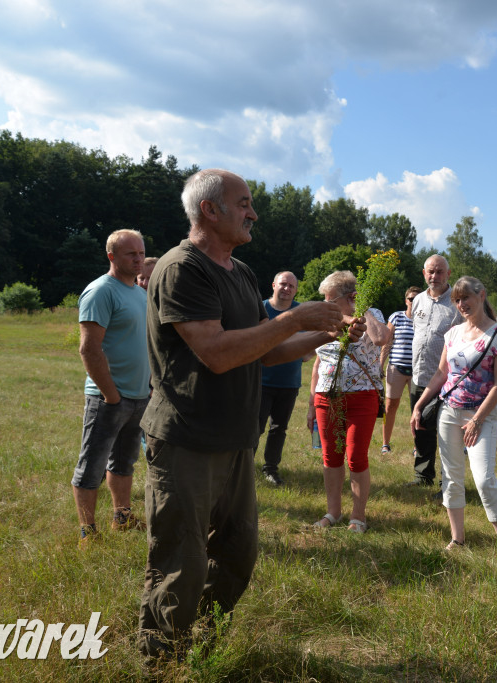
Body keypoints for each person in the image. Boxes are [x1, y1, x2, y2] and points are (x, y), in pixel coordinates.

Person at [137, 169, 359, 658]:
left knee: (237, 553)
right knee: (182, 560)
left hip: (235, 439)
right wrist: (293, 318)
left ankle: (206, 644)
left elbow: (266, 349)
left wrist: (327, 334)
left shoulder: (243, 273)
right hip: (186, 438)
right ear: (209, 210)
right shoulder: (182, 268)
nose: (253, 213)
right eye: (244, 203)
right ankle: (163, 660)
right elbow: (216, 352)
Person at [409, 276, 497, 572]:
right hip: (448, 411)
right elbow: (441, 374)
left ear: (481, 296)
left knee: (484, 479)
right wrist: (420, 404)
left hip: (481, 414)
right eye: (457, 300)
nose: (461, 304)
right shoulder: (453, 333)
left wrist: (477, 420)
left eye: (465, 298)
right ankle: (457, 539)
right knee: (451, 477)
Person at [72, 229, 151, 548]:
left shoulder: (139, 293)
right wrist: (111, 395)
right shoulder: (100, 291)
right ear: (112, 257)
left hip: (139, 397)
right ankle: (87, 531)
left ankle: (122, 516)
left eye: (141, 253)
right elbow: (89, 349)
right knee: (91, 464)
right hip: (108, 399)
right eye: (130, 253)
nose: (138, 259)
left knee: (124, 461)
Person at [307, 271, 389, 533]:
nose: (326, 305)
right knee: (331, 456)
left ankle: (358, 517)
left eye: (331, 300)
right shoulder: (325, 318)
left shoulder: (371, 314)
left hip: (362, 396)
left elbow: (380, 339)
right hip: (326, 396)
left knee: (356, 456)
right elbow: (317, 361)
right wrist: (311, 403)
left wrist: (361, 309)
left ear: (350, 296)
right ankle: (333, 513)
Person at [408, 255, 463, 487]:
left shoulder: (457, 303)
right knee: (420, 426)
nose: (435, 276)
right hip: (419, 376)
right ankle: (423, 474)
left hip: (446, 380)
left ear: (448, 274)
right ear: (423, 273)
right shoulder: (418, 300)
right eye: (431, 272)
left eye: (440, 272)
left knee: (446, 431)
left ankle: (448, 482)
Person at [256, 270, 303, 486]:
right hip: (261, 381)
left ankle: (270, 469)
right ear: (273, 285)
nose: (287, 289)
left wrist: (306, 354)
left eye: (291, 286)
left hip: (289, 381)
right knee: (254, 427)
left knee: (279, 428)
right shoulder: (260, 308)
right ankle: (244, 467)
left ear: (295, 290)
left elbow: (311, 340)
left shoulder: (300, 311)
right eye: (283, 284)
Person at [380, 286, 421, 454]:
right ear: (406, 301)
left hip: (418, 370)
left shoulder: (425, 321)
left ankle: (416, 446)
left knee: (417, 408)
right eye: (411, 299)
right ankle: (385, 444)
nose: (414, 302)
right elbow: (387, 342)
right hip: (396, 368)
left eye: (417, 299)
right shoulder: (396, 317)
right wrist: (380, 365)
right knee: (390, 406)